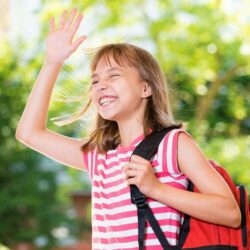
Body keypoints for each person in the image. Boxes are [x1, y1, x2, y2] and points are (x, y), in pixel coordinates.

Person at [16, 8, 241, 249]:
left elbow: (230, 213)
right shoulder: (100, 158)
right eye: (95, 80)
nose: (101, 85)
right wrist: (53, 62)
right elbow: (29, 134)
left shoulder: (173, 144)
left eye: (113, 75)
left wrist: (155, 188)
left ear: (146, 89)